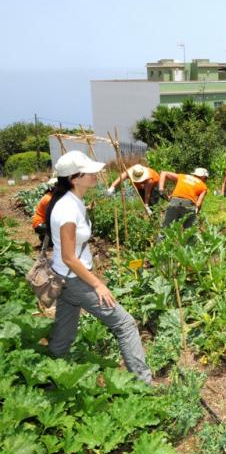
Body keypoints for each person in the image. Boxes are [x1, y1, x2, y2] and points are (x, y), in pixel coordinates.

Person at [46, 151, 152, 383]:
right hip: (74, 279)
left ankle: (50, 377)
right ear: (74, 179)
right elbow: (68, 257)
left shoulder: (73, 201)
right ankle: (144, 386)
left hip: (65, 279)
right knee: (125, 324)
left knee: (64, 333)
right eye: (89, 171)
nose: (96, 173)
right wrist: (98, 284)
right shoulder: (66, 209)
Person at [32, 176, 57, 243]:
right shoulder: (49, 199)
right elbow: (50, 215)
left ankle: (44, 238)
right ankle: (46, 239)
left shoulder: (50, 196)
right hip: (39, 224)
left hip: (41, 222)